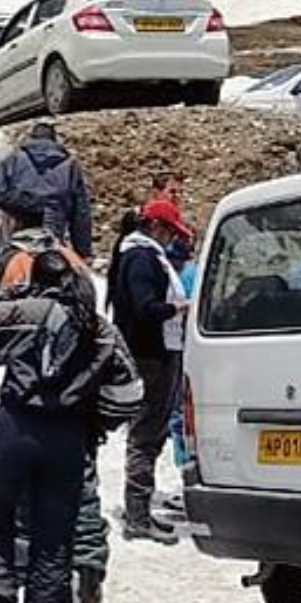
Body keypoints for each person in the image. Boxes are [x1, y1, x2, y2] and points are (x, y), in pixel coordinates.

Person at [0, 250, 143, 603]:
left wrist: (10, 315)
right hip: (67, 438)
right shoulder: (101, 330)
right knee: (54, 540)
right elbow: (130, 393)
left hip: (15, 427)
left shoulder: (28, 311)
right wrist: (96, 426)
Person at [0, 200, 110, 603]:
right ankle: (89, 569)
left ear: (12, 220)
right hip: (79, 400)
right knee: (82, 490)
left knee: (18, 500)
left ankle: (9, 594)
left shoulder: (14, 261)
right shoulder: (72, 258)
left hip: (27, 402)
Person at [109, 198, 192, 546]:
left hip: (151, 354)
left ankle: (139, 511)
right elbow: (145, 309)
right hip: (150, 356)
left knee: (148, 433)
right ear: (157, 227)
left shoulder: (136, 254)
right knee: (146, 435)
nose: (172, 239)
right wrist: (177, 308)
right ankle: (138, 516)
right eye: (170, 232)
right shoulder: (143, 258)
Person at [0, 123, 94, 259]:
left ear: (31, 138)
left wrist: (13, 206)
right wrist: (83, 251)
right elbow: (81, 213)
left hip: (17, 228)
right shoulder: (70, 165)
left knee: (1, 269)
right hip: (53, 232)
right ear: (55, 140)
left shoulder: (15, 159)